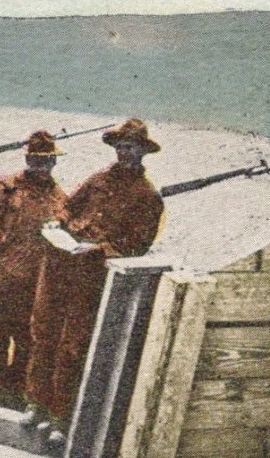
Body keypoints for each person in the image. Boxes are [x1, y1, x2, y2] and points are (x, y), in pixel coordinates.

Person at [24, 118, 166, 438]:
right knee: (44, 332)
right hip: (60, 265)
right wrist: (57, 225)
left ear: (142, 152)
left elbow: (135, 246)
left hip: (91, 276)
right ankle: (36, 403)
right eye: (120, 147)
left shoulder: (147, 197)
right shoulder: (98, 180)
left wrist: (95, 250)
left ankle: (60, 417)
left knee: (73, 345)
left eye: (130, 147)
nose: (124, 153)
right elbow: (67, 208)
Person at [0, 130, 69, 409]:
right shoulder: (6, 187)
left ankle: (17, 392)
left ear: (53, 163)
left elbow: (70, 225)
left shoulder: (59, 196)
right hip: (1, 275)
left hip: (36, 279)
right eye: (36, 160)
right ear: (28, 159)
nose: (41, 167)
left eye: (46, 161)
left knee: (28, 337)